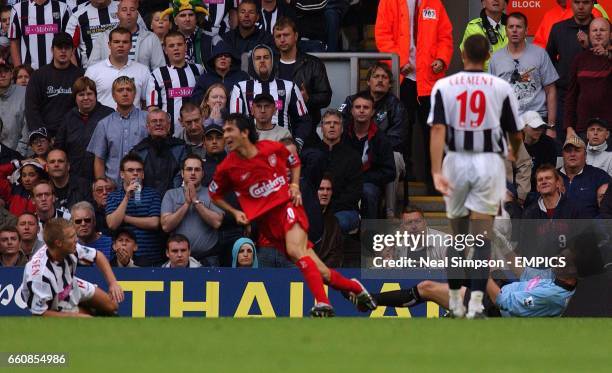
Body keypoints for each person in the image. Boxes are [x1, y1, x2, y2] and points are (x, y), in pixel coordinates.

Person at [209, 113, 376, 316]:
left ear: (244, 133)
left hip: (288, 208)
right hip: (269, 227)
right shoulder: (228, 167)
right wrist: (235, 211)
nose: (225, 135)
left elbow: (295, 161)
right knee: (321, 271)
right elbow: (214, 194)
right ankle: (355, 288)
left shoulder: (270, 149)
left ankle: (323, 303)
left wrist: (295, 184)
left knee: (296, 252)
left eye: (229, 130)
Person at [428, 34, 523, 318]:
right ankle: (477, 303)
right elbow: (515, 132)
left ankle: (456, 302)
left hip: (456, 160)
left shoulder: (444, 85)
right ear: (488, 57)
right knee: (483, 237)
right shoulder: (500, 86)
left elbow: (437, 130)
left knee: (457, 236)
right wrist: (514, 152)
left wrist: (435, 169)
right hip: (487, 163)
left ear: (462, 54)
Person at [375, 0, 453, 193]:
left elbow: (445, 37)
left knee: (434, 132)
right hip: (403, 78)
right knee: (402, 130)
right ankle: (404, 178)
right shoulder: (388, 2)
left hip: (429, 79)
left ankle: (434, 179)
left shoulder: (434, 3)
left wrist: (441, 59)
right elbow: (382, 35)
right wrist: (399, 61)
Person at [339, 62, 409, 217]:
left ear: (389, 84)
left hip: (383, 154)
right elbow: (339, 125)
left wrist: (374, 146)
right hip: (355, 152)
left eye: (384, 77)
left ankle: (389, 210)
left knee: (395, 157)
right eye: (376, 76)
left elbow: (398, 138)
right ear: (368, 81)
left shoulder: (396, 105)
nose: (380, 80)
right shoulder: (352, 101)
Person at [21, 218, 124, 317]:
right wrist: (75, 316)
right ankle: (83, 311)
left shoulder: (71, 247)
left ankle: (86, 308)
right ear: (58, 243)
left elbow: (98, 256)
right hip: (56, 299)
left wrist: (113, 283)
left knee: (112, 306)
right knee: (86, 319)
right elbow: (39, 314)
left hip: (71, 284)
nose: (76, 239)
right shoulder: (41, 275)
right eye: (71, 237)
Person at [489, 12, 559, 138]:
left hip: (537, 122)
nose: (514, 30)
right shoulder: (496, 58)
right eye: (511, 27)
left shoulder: (540, 54)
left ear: (526, 30)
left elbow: (551, 91)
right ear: (506, 30)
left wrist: (551, 127)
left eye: (519, 27)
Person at [230, 44, 311, 149]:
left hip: (282, 146)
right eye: (258, 58)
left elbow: (303, 120)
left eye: (266, 57)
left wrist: (297, 144)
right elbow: (235, 122)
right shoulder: (240, 88)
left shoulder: (289, 86)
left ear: (273, 61)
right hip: (252, 148)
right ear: (252, 63)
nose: (262, 61)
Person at [547, 0, 597, 139]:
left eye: (586, 2)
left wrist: (590, 45)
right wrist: (561, 76)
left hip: (595, 96)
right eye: (576, 2)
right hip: (564, 95)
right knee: (563, 145)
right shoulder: (558, 29)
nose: (581, 6)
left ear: (593, 4)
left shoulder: (601, 28)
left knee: (594, 144)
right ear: (571, 3)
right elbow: (549, 61)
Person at [161, 154, 223, 266]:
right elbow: (166, 226)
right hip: (179, 259)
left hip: (208, 258)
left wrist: (196, 202)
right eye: (189, 169)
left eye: (197, 169)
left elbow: (217, 222)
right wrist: (186, 204)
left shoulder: (212, 194)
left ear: (203, 173)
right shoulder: (171, 194)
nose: (193, 173)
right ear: (182, 173)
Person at [272, 16, 331, 132]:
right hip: (275, 129)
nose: (282, 39)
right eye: (278, 36)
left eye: (286, 35)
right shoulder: (270, 65)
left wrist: (308, 99)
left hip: (305, 129)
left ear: (296, 36)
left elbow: (326, 96)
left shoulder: (313, 63)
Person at [87, 75, 149, 184]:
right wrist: (102, 185)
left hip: (142, 187)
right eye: (120, 90)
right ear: (113, 96)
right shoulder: (104, 124)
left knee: (138, 202)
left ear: (135, 94)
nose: (125, 93)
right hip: (113, 188)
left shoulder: (147, 119)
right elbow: (99, 160)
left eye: (129, 90)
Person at [343, 92, 396, 219]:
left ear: (372, 112)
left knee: (368, 192)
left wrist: (363, 178)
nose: (361, 111)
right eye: (358, 107)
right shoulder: (343, 135)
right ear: (351, 111)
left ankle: (370, 235)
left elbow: (390, 172)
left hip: (368, 183)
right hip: (344, 180)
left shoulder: (381, 138)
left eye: (366, 108)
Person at [106, 153, 164, 266]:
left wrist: (125, 218)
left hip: (150, 259)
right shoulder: (113, 196)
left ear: (143, 175)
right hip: (121, 260)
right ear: (122, 174)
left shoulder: (153, 194)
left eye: (139, 170)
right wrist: (127, 196)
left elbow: (154, 223)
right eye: (130, 170)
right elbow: (112, 224)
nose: (135, 173)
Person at [55, 76, 115, 182]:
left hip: (104, 178)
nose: (86, 98)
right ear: (75, 97)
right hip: (75, 178)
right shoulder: (68, 118)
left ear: (96, 95)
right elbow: (59, 148)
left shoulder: (109, 115)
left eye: (89, 94)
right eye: (81, 94)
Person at [312, 109, 362, 234]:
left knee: (336, 222)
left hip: (344, 210)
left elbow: (354, 192)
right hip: (313, 208)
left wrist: (329, 209)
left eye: (336, 123)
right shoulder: (311, 154)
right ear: (321, 128)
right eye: (328, 123)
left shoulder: (353, 157)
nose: (332, 126)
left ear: (342, 128)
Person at [25, 33, 84, 137]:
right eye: (59, 47)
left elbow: (84, 107)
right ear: (52, 50)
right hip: (45, 135)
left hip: (74, 134)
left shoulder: (80, 75)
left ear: (73, 51)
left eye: (67, 47)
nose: (63, 51)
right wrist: (42, 134)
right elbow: (31, 108)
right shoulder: (38, 75)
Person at [146, 31, 204, 135]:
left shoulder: (198, 70)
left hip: (196, 132)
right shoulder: (157, 74)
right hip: (169, 135)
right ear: (165, 50)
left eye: (180, 44)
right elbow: (153, 108)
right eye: (171, 46)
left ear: (186, 47)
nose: (176, 48)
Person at [564, 17, 611, 139]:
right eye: (594, 30)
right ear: (589, 35)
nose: (598, 33)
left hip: (610, 129)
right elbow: (571, 96)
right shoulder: (579, 59)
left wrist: (607, 54)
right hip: (583, 129)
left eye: (602, 30)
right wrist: (569, 127)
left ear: (611, 35)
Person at [85, 27, 150, 110]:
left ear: (131, 45)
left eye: (125, 42)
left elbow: (146, 103)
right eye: (116, 42)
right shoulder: (93, 71)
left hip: (134, 121)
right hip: (102, 121)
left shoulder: (143, 71)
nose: (120, 45)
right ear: (109, 44)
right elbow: (87, 100)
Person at [89, 0, 165, 71]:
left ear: (137, 14)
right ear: (117, 15)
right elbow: (92, 68)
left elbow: (160, 70)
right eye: (124, 10)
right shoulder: (103, 37)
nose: (128, 13)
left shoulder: (151, 38)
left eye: (132, 9)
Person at [67, 0, 147, 67]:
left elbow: (145, 38)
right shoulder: (77, 16)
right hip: (94, 76)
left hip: (132, 70)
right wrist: (78, 76)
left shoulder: (126, 8)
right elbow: (69, 49)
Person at [130, 108, 188, 195]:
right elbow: (135, 180)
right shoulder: (138, 152)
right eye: (154, 121)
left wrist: (173, 199)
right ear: (148, 127)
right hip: (147, 203)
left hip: (174, 202)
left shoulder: (181, 149)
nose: (158, 124)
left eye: (162, 121)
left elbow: (183, 177)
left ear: (168, 126)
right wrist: (139, 203)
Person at [8, 0, 71, 70]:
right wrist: (19, 70)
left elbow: (70, 42)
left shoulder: (63, 8)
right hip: (29, 72)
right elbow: (14, 42)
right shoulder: (18, 9)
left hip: (57, 70)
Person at [559, 135, 610, 217]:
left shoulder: (599, 176)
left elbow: (608, 210)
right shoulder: (552, 177)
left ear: (585, 154)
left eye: (577, 150)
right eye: (568, 151)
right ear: (563, 154)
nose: (572, 154)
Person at [460, 0, 508, 71]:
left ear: (505, 4)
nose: (496, 0)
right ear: (483, 3)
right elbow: (475, 60)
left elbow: (521, 54)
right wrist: (508, 65)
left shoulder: (513, 26)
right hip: (483, 79)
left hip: (510, 80)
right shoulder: (475, 27)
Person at [161, 0, 212, 65]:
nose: (187, 19)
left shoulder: (211, 39)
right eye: (182, 15)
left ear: (196, 18)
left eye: (191, 15)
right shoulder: (168, 42)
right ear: (175, 21)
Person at [521, 111, 558, 199]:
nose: (539, 130)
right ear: (524, 127)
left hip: (540, 189)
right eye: (535, 127)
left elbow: (548, 170)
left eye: (541, 127)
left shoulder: (549, 144)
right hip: (518, 188)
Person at [315, 174, 343, 268]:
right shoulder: (303, 218)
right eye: (321, 189)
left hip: (325, 273)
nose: (325, 193)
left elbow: (336, 254)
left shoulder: (334, 222)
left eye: (328, 189)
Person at [0, 61, 27, 154]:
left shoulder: (24, 94)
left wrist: (17, 156)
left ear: (11, 74)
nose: (2, 74)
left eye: (5, 71)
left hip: (20, 156)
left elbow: (27, 129)